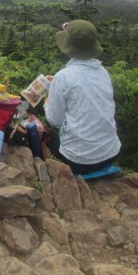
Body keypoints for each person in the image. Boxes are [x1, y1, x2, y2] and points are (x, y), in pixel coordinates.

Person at [43, 20, 121, 174]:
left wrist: (48, 99)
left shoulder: (63, 77)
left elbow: (55, 120)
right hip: (111, 153)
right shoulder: (103, 72)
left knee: (43, 134)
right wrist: (57, 84)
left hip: (79, 160)